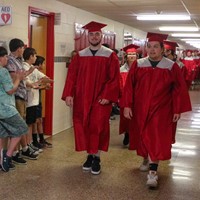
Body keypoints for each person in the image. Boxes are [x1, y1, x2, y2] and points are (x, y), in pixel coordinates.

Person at [122, 32, 192, 188]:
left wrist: (177, 109)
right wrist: (127, 105)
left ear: (162, 49)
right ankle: (146, 158)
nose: (152, 50)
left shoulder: (171, 66)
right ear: (146, 48)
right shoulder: (139, 65)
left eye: (156, 47)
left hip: (162, 109)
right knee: (142, 134)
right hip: (140, 108)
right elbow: (129, 88)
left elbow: (178, 90)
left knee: (157, 137)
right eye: (149, 46)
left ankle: (153, 172)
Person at [62, 21, 120, 175]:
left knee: (98, 127)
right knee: (84, 126)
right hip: (82, 98)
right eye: (92, 34)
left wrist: (108, 96)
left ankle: (97, 158)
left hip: (101, 99)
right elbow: (72, 77)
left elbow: (114, 78)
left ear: (102, 36)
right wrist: (69, 94)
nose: (94, 37)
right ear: (88, 36)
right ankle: (89, 155)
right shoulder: (80, 55)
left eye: (97, 34)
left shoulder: (110, 55)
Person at [5, 38, 38, 162]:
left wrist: (28, 71)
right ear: (18, 48)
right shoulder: (10, 61)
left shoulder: (19, 60)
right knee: (18, 125)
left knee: (22, 123)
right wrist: (26, 73)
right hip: (16, 96)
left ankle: (21, 149)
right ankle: (15, 152)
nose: (23, 50)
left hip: (22, 95)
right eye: (22, 47)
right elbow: (15, 77)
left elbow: (21, 76)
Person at [0, 46, 28, 172]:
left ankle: (1, 161)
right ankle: (8, 156)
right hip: (6, 109)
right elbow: (10, 90)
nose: (7, 59)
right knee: (22, 128)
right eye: (5, 56)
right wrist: (18, 79)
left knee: (3, 134)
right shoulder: (3, 71)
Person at [23, 48, 53, 152]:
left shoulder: (33, 68)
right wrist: (37, 84)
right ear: (30, 56)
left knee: (32, 123)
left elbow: (44, 77)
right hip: (28, 100)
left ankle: (31, 143)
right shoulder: (24, 67)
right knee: (28, 124)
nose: (35, 58)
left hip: (34, 100)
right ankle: (28, 144)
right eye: (34, 56)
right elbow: (28, 83)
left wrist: (48, 81)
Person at [119, 44, 139, 146]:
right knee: (126, 119)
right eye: (130, 54)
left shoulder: (141, 68)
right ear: (126, 56)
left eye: (134, 54)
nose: (132, 56)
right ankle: (127, 134)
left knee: (136, 118)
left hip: (138, 98)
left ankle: (134, 136)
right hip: (125, 97)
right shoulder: (122, 69)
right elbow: (119, 84)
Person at [33, 55, 53, 148]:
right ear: (39, 64)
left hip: (38, 100)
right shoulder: (35, 73)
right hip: (34, 100)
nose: (45, 65)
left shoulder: (40, 73)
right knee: (36, 120)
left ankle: (41, 139)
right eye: (43, 63)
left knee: (39, 120)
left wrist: (44, 86)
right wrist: (45, 86)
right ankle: (35, 141)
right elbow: (34, 86)